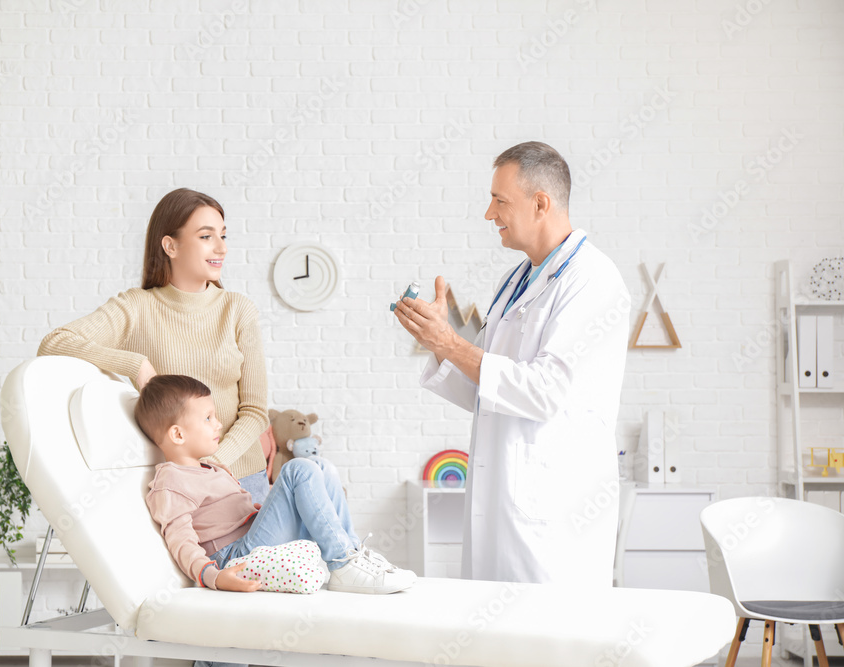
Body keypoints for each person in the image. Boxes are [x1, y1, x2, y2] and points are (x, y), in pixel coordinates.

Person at [393, 142, 630, 586]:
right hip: (501, 505)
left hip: (554, 514)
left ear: (540, 204)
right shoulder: (516, 280)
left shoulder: (592, 280)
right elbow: (483, 389)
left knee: (550, 629)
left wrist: (451, 342)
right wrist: (438, 342)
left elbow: (545, 391)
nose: (489, 213)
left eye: (499, 200)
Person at [37, 188, 271, 503]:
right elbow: (54, 343)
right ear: (170, 245)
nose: (221, 247)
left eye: (223, 235)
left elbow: (255, 411)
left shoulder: (238, 310)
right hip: (178, 486)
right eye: (206, 236)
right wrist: (135, 365)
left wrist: (212, 464)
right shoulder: (136, 307)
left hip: (244, 480)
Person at [137, 374, 416, 596]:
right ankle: (343, 563)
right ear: (177, 434)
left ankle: (352, 554)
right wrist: (213, 576)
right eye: (208, 418)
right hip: (234, 558)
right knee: (297, 469)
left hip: (255, 540)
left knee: (321, 467)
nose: (219, 424)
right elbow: (181, 541)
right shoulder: (171, 481)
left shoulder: (212, 467)